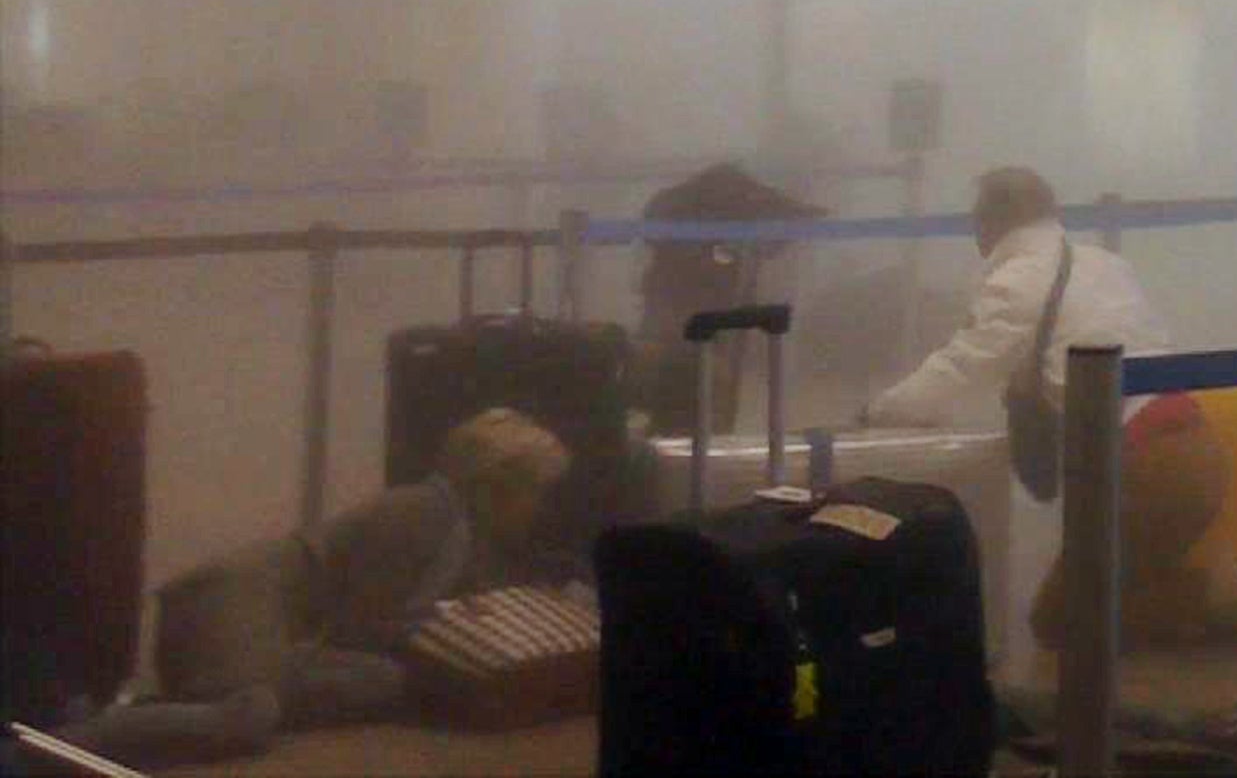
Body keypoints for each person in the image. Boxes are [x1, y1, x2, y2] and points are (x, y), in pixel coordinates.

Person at [862, 166, 1237, 649]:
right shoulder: (1106, 265)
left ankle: (1222, 598)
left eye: (976, 221)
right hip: (1200, 450)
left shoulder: (1016, 282)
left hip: (1148, 469)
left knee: (1058, 621)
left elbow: (958, 370)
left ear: (992, 222)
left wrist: (877, 412)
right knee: (1124, 584)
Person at [40, 409, 570, 770]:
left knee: (386, 682)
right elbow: (362, 627)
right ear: (498, 482)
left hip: (279, 620)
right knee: (246, 716)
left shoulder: (462, 532)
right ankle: (47, 749)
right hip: (238, 600)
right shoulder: (424, 511)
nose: (539, 506)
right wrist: (450, 629)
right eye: (535, 490)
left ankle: (140, 715)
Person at [636, 161, 824, 434]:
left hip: (684, 302)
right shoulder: (742, 204)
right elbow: (781, 229)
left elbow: (653, 237)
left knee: (680, 381)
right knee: (709, 382)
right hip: (708, 305)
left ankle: (682, 438)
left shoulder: (673, 203)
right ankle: (708, 438)